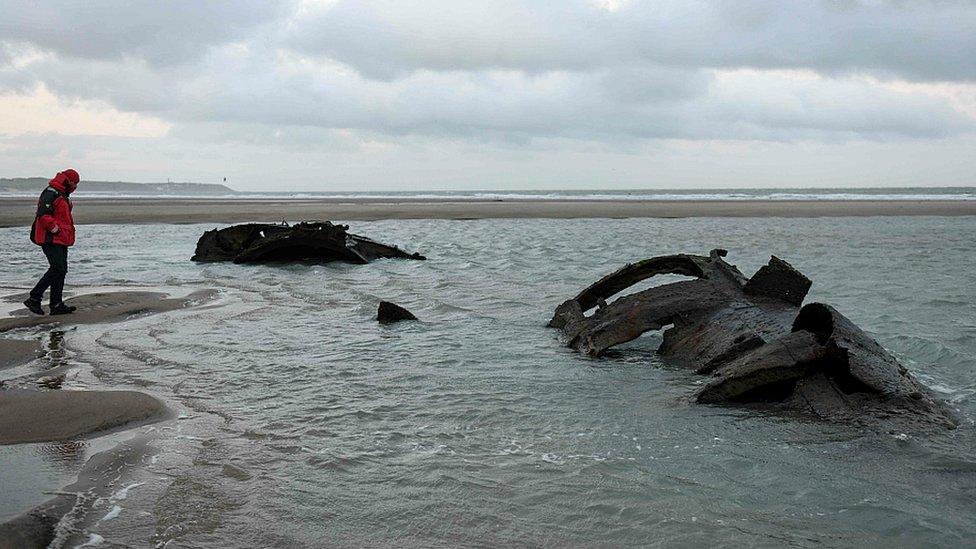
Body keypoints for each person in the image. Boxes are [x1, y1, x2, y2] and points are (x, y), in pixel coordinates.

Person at [23, 169, 80, 315]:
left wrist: (64, 233)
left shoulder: (63, 194)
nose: (75, 187)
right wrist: (55, 230)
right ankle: (34, 297)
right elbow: (43, 215)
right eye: (74, 184)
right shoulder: (51, 192)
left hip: (61, 238)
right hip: (50, 237)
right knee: (57, 268)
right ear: (67, 181)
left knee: (61, 270)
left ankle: (56, 304)